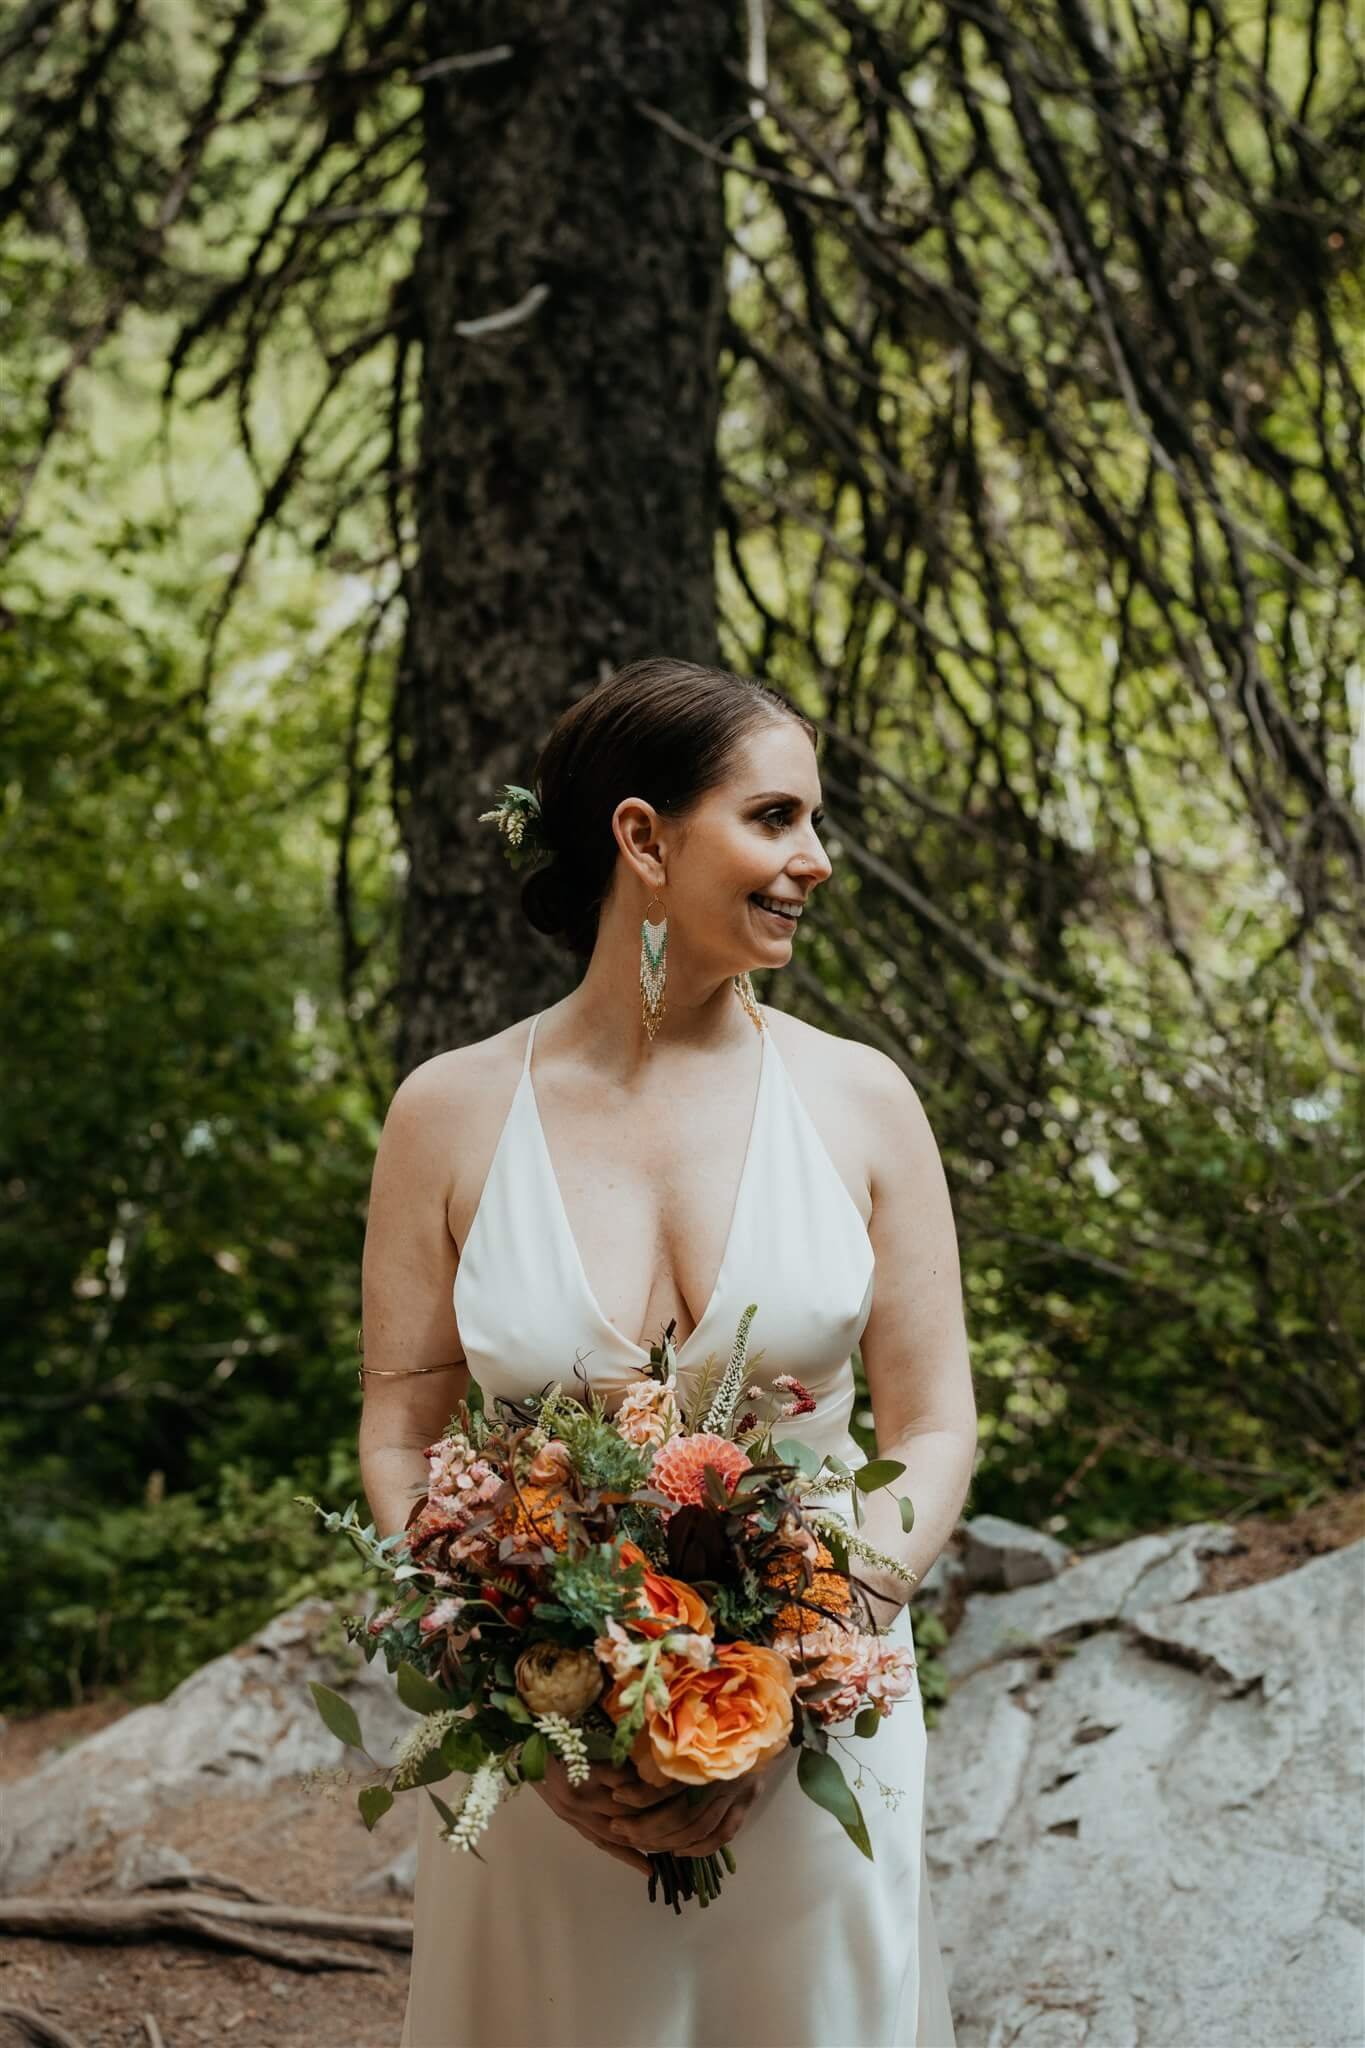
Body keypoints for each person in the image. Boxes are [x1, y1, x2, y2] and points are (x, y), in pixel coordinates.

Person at [359, 656, 976, 2047]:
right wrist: (512, 1680)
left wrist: (822, 1639)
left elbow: (932, 1420)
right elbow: (401, 1428)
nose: (813, 861)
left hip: (823, 1722)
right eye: (773, 819)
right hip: (542, 1748)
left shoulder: (862, 1101)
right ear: (642, 838)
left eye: (812, 824)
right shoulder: (447, 1115)